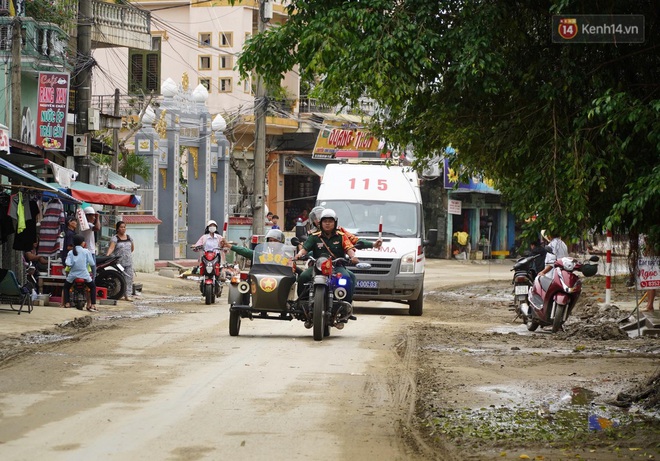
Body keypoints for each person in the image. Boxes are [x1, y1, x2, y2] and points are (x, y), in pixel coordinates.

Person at [293, 209, 359, 302]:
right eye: (325, 221)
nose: (327, 223)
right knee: (303, 276)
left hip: (336, 267)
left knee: (347, 278)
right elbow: (305, 249)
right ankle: (302, 302)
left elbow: (348, 248)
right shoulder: (314, 236)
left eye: (330, 221)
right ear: (321, 223)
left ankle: (346, 305)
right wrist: (299, 255)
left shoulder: (341, 236)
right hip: (317, 267)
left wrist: (353, 257)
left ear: (335, 223)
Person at [306, 205, 383, 250]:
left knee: (350, 276)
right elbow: (304, 248)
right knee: (304, 277)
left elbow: (354, 240)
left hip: (336, 264)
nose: (319, 220)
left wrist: (373, 244)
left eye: (328, 220)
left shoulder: (340, 231)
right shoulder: (311, 234)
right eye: (316, 218)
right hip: (316, 264)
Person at [63, 234, 97, 311]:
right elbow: (92, 263)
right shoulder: (86, 251)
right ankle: (93, 304)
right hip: (84, 274)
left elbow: (68, 263)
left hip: (73, 275)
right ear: (82, 243)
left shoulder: (71, 252)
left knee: (66, 287)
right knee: (92, 287)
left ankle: (67, 303)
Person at [106, 221, 135, 301]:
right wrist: (107, 256)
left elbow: (132, 248)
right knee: (119, 278)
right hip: (119, 262)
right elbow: (111, 248)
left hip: (128, 262)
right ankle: (119, 293)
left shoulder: (129, 237)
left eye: (124, 227)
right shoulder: (115, 238)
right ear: (117, 229)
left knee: (129, 278)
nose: (123, 229)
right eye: (121, 227)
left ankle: (128, 295)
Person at [82, 206, 101, 279]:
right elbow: (97, 228)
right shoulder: (88, 224)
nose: (94, 218)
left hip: (88, 251)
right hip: (89, 251)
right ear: (87, 216)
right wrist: (98, 217)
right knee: (92, 273)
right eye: (93, 216)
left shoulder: (84, 224)